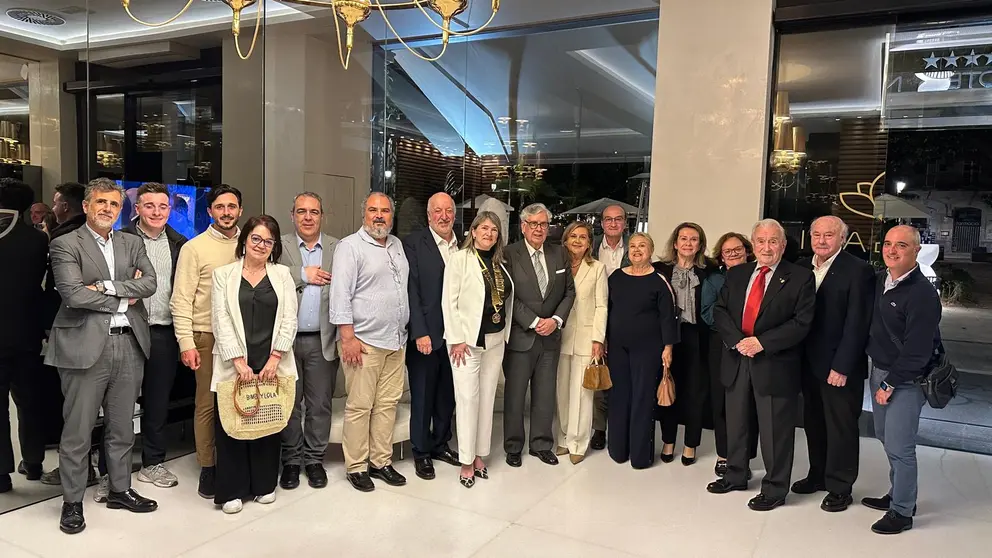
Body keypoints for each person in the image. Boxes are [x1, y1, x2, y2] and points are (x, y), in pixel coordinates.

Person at [46, 178, 159, 534]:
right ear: (86, 207)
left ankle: (120, 489)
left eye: (114, 204)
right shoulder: (65, 244)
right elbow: (74, 295)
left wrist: (108, 288)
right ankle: (72, 501)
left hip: (129, 344)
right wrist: (127, 296)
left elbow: (151, 283)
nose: (108, 209)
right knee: (78, 430)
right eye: (101, 203)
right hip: (83, 346)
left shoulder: (132, 241)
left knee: (122, 425)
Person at [707, 219, 815, 512]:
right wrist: (737, 341)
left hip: (774, 362)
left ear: (782, 245)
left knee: (774, 431)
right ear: (752, 245)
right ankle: (736, 474)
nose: (766, 247)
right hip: (737, 358)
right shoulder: (738, 273)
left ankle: (775, 488)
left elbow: (801, 323)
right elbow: (720, 310)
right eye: (761, 241)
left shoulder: (800, 277)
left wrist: (761, 342)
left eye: (773, 241)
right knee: (737, 423)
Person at [210, 215, 298, 514]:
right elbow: (220, 319)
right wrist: (237, 360)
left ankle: (264, 485)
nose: (261, 245)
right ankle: (233, 490)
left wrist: (276, 357)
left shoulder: (283, 275)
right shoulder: (224, 275)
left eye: (268, 241)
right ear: (244, 240)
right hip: (234, 361)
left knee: (267, 421)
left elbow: (289, 318)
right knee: (232, 422)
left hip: (271, 359)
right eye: (256, 238)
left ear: (274, 247)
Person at [862, 225, 941, 535]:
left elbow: (918, 350)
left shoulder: (922, 293)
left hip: (905, 378)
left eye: (902, 246)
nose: (892, 250)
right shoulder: (882, 280)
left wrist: (889, 384)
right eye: (888, 244)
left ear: (916, 252)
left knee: (900, 446)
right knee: (884, 435)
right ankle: (899, 494)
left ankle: (902, 512)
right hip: (880, 369)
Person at [330, 192, 410, 492]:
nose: (380, 216)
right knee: (360, 406)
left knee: (388, 403)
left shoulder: (397, 245)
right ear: (364, 213)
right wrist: (347, 336)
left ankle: (381, 461)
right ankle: (356, 466)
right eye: (374, 210)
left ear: (392, 215)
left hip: (395, 340)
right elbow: (340, 294)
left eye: (385, 211)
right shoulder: (350, 247)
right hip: (363, 341)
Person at [793, 216, 874, 513]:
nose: (822, 240)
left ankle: (840, 486)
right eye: (817, 234)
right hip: (807, 363)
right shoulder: (801, 267)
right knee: (814, 422)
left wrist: (842, 366)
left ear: (843, 238)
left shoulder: (859, 271)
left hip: (840, 367)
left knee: (841, 426)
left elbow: (858, 323)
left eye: (829, 235)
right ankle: (818, 475)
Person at [170, 184, 243, 499]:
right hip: (206, 335)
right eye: (220, 207)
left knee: (240, 401)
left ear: (240, 210)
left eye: (232, 206)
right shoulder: (194, 248)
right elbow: (181, 300)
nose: (226, 212)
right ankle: (208, 467)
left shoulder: (252, 244)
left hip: (243, 336)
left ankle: (237, 461)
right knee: (207, 404)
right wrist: (186, 342)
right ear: (210, 211)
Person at [118, 183, 188, 490]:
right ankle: (112, 470)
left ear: (170, 210)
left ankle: (153, 463)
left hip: (164, 331)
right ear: (137, 209)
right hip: (127, 330)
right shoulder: (120, 240)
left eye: (163, 206)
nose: (157, 212)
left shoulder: (179, 243)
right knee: (119, 402)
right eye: (150, 206)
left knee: (158, 402)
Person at [441, 211, 514, 487]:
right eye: (484, 228)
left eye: (494, 231)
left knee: (486, 400)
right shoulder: (459, 260)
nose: (489, 234)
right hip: (467, 343)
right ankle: (466, 460)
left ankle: (481, 453)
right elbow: (449, 302)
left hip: (495, 341)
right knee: (468, 400)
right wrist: (457, 338)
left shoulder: (500, 263)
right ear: (472, 231)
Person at [502, 203, 576, 467]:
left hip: (550, 338)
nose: (538, 229)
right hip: (522, 336)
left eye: (543, 224)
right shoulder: (509, 254)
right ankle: (513, 446)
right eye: (533, 224)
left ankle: (541, 444)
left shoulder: (560, 254)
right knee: (515, 395)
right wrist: (534, 321)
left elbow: (569, 292)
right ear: (523, 226)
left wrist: (555, 321)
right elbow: (508, 294)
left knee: (545, 394)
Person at [278, 193, 338, 490]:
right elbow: (267, 274)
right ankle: (290, 460)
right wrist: (303, 273)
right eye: (301, 211)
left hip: (323, 340)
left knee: (319, 405)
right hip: (286, 343)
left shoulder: (337, 247)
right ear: (293, 215)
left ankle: (314, 460)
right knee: (289, 404)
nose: (308, 217)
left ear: (322, 216)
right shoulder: (280, 245)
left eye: (314, 211)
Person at [606, 233, 679, 469]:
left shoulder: (659, 281)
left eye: (643, 246)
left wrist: (668, 348)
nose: (637, 250)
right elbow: (606, 310)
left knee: (642, 399)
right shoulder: (616, 277)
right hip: (617, 348)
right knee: (619, 396)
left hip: (648, 349)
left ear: (651, 250)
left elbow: (669, 318)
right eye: (633, 246)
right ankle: (618, 450)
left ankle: (640, 456)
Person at [403, 192, 460, 481]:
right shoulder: (413, 243)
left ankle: (441, 443)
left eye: (448, 210)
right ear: (429, 216)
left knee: (446, 396)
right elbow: (411, 290)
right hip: (426, 337)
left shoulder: (462, 245)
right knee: (423, 397)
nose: (444, 216)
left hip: (455, 338)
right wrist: (420, 332)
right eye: (437, 210)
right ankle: (421, 452)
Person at [0, 179, 49, 491]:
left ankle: (0, 474)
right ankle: (33, 462)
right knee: (30, 401)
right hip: (27, 335)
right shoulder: (36, 240)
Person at [655, 222, 714, 466]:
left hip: (698, 338)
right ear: (675, 243)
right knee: (668, 388)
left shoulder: (709, 271)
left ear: (700, 245)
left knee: (695, 393)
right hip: (668, 337)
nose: (688, 243)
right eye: (683, 238)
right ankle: (668, 441)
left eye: (693, 239)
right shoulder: (660, 270)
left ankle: (690, 445)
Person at [701, 232, 758, 478]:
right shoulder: (714, 280)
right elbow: (707, 312)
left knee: (752, 402)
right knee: (723, 401)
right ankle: (724, 454)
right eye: (728, 251)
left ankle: (746, 454)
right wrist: (736, 333)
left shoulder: (759, 277)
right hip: (722, 345)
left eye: (738, 249)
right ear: (721, 257)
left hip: (756, 345)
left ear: (747, 251)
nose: (733, 254)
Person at [555, 221, 608, 464]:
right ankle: (564, 438)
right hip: (559, 336)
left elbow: (601, 305)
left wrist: (599, 338)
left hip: (587, 337)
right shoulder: (557, 265)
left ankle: (579, 441)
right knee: (562, 390)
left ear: (590, 243)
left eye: (583, 237)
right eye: (573, 236)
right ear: (565, 240)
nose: (577, 240)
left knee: (583, 392)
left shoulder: (597, 268)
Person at [590, 204, 630, 450]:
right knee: (598, 374)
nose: (613, 223)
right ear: (602, 223)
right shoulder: (591, 247)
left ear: (625, 223)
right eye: (608, 219)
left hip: (625, 317)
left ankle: (619, 425)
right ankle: (599, 429)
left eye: (618, 219)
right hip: (596, 315)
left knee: (622, 375)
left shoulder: (634, 246)